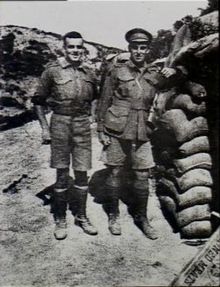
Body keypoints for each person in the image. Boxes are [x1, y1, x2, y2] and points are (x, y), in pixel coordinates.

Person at [97, 28, 187, 238]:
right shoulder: (116, 69)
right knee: (115, 172)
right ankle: (113, 214)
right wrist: (101, 129)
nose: (139, 51)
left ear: (148, 50)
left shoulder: (155, 73)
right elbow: (104, 100)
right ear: (129, 48)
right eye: (135, 47)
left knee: (142, 175)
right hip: (116, 128)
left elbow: (179, 80)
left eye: (143, 47)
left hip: (142, 130)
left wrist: (176, 72)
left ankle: (142, 217)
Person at [32, 31, 98, 240]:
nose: (76, 51)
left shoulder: (89, 72)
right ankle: (60, 218)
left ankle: (81, 216)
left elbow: (95, 98)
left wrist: (92, 117)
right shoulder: (52, 71)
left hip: (81, 124)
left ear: (83, 49)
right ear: (64, 48)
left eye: (79, 47)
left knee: (82, 172)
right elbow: (38, 101)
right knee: (62, 173)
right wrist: (44, 128)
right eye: (71, 47)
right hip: (60, 122)